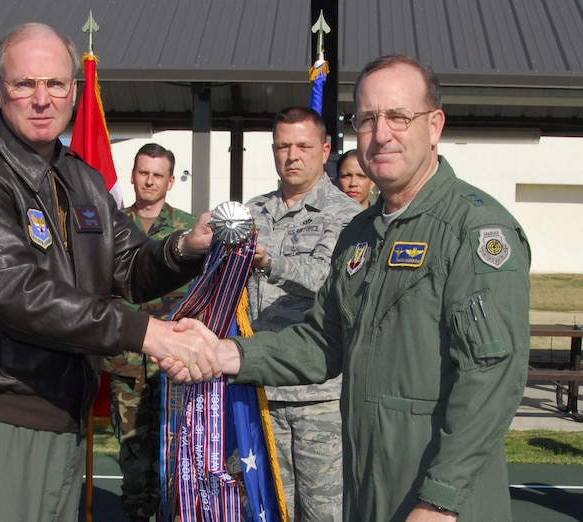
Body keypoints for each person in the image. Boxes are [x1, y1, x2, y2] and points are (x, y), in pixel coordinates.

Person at [166, 54, 531, 521]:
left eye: (400, 116)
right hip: (366, 485)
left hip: (437, 496)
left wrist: (441, 499)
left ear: (435, 125)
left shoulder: (475, 229)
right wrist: (226, 355)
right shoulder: (361, 233)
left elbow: (490, 381)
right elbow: (324, 339)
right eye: (367, 119)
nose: (382, 134)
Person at [0, 23, 216, 522]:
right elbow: (20, 296)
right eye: (25, 84)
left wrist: (187, 246)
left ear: (74, 91)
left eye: (56, 83)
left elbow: (127, 266)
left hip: (60, 420)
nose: (42, 98)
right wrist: (150, 335)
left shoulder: (80, 178)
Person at [245, 106, 361, 521]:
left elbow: (325, 278)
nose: (291, 155)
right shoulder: (250, 213)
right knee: (267, 509)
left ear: (326, 149)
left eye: (303, 146)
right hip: (261, 391)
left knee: (323, 512)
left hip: (319, 396)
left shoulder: (348, 216)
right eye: (282, 146)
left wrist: (267, 262)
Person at [103, 143, 197, 522]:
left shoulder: (190, 232)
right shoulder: (110, 228)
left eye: (158, 175)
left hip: (172, 367)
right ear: (132, 175)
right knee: (134, 464)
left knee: (178, 459)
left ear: (171, 181)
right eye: (143, 173)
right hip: (125, 365)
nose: (149, 181)